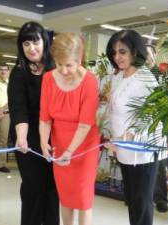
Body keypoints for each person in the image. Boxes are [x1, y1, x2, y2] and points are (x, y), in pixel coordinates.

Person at [39, 32, 100, 225]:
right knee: (65, 195)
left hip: (84, 146)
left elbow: (85, 124)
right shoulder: (48, 79)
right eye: (59, 64)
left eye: (69, 65)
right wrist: (43, 142)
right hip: (59, 142)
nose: (63, 70)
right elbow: (45, 118)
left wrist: (70, 151)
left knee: (82, 198)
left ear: (79, 60)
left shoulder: (90, 81)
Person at [105, 29, 161, 225]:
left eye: (122, 52)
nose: (117, 57)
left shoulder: (145, 78)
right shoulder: (119, 76)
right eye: (114, 52)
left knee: (142, 204)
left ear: (135, 52)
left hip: (141, 152)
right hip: (123, 150)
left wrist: (126, 138)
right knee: (132, 202)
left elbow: (151, 115)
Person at [8, 21, 59, 225]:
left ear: (44, 41)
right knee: (33, 187)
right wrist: (21, 137)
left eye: (35, 42)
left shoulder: (55, 68)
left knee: (52, 188)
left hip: (53, 136)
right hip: (28, 136)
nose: (31, 48)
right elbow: (18, 109)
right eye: (26, 43)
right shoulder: (19, 72)